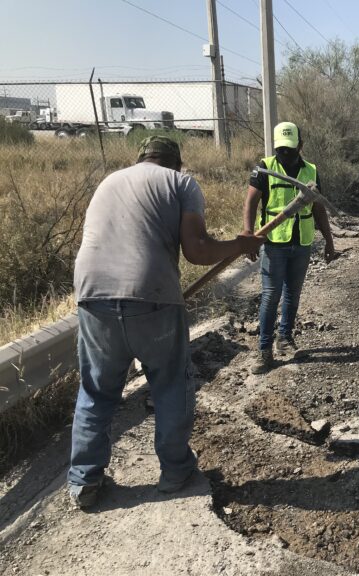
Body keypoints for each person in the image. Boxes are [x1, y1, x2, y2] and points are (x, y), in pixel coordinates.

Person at [69, 136, 264, 509]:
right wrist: (239, 245)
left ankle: (84, 482)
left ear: (141, 158)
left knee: (97, 392)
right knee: (171, 383)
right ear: (175, 163)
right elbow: (198, 250)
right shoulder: (181, 183)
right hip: (152, 295)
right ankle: (176, 472)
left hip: (92, 295)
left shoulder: (109, 180)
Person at [243, 121, 336, 374]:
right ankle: (264, 350)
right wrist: (248, 235)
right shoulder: (265, 167)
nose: (285, 154)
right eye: (281, 149)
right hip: (273, 243)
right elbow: (251, 202)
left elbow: (318, 208)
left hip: (302, 242)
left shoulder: (311, 170)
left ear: (300, 146)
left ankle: (284, 338)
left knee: (293, 294)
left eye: (290, 149)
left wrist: (329, 240)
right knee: (271, 295)